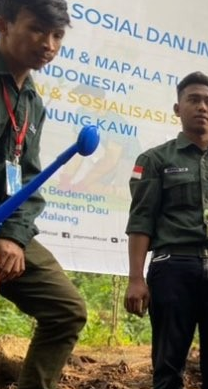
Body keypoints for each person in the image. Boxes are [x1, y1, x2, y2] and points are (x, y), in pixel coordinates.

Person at [124, 71, 208, 389]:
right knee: (168, 370)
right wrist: (135, 278)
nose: (202, 106)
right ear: (177, 109)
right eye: (193, 100)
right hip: (173, 268)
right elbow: (141, 219)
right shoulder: (155, 159)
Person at [0, 0, 87, 388]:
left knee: (66, 309)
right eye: (37, 29)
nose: (48, 44)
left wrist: (12, 236)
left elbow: (27, 179)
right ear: (5, 24)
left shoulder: (31, 100)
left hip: (7, 227)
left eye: (57, 36)